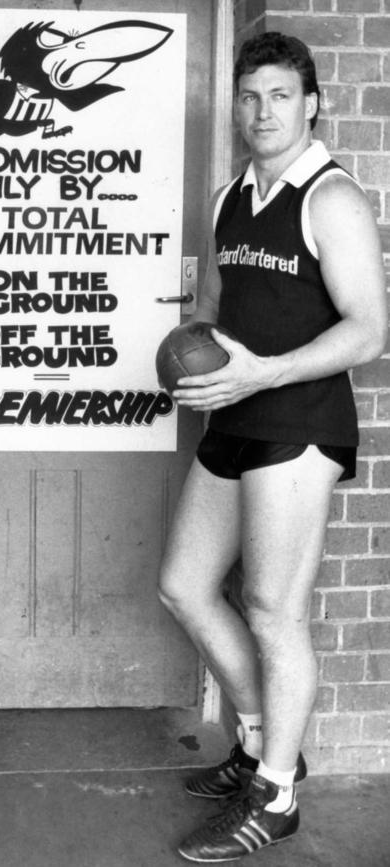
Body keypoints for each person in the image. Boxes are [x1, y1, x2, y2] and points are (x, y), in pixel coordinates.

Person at [157, 32, 387, 863]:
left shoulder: (331, 198)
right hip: (237, 417)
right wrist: (195, 359)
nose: (262, 111)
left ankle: (278, 793)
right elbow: (216, 303)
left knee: (272, 610)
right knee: (183, 584)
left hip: (300, 424)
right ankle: (258, 743)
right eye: (249, 96)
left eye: (280, 96)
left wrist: (265, 373)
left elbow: (370, 329)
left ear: (311, 103)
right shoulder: (229, 198)